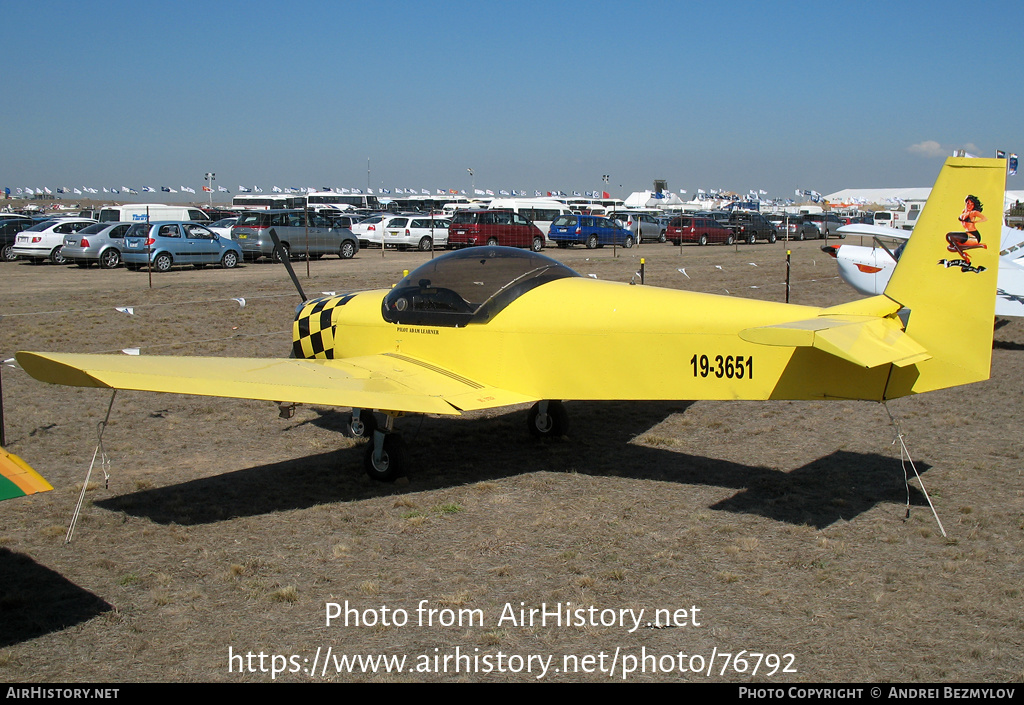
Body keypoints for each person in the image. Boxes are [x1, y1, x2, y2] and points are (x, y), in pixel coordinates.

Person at [945, 195, 987, 263]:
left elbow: (985, 218)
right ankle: (978, 246)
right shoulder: (964, 211)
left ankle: (963, 255)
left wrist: (975, 221)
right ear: (965, 203)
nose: (969, 206)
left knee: (949, 236)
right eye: (968, 203)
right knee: (949, 247)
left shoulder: (973, 213)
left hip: (973, 236)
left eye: (972, 204)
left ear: (974, 206)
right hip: (967, 235)